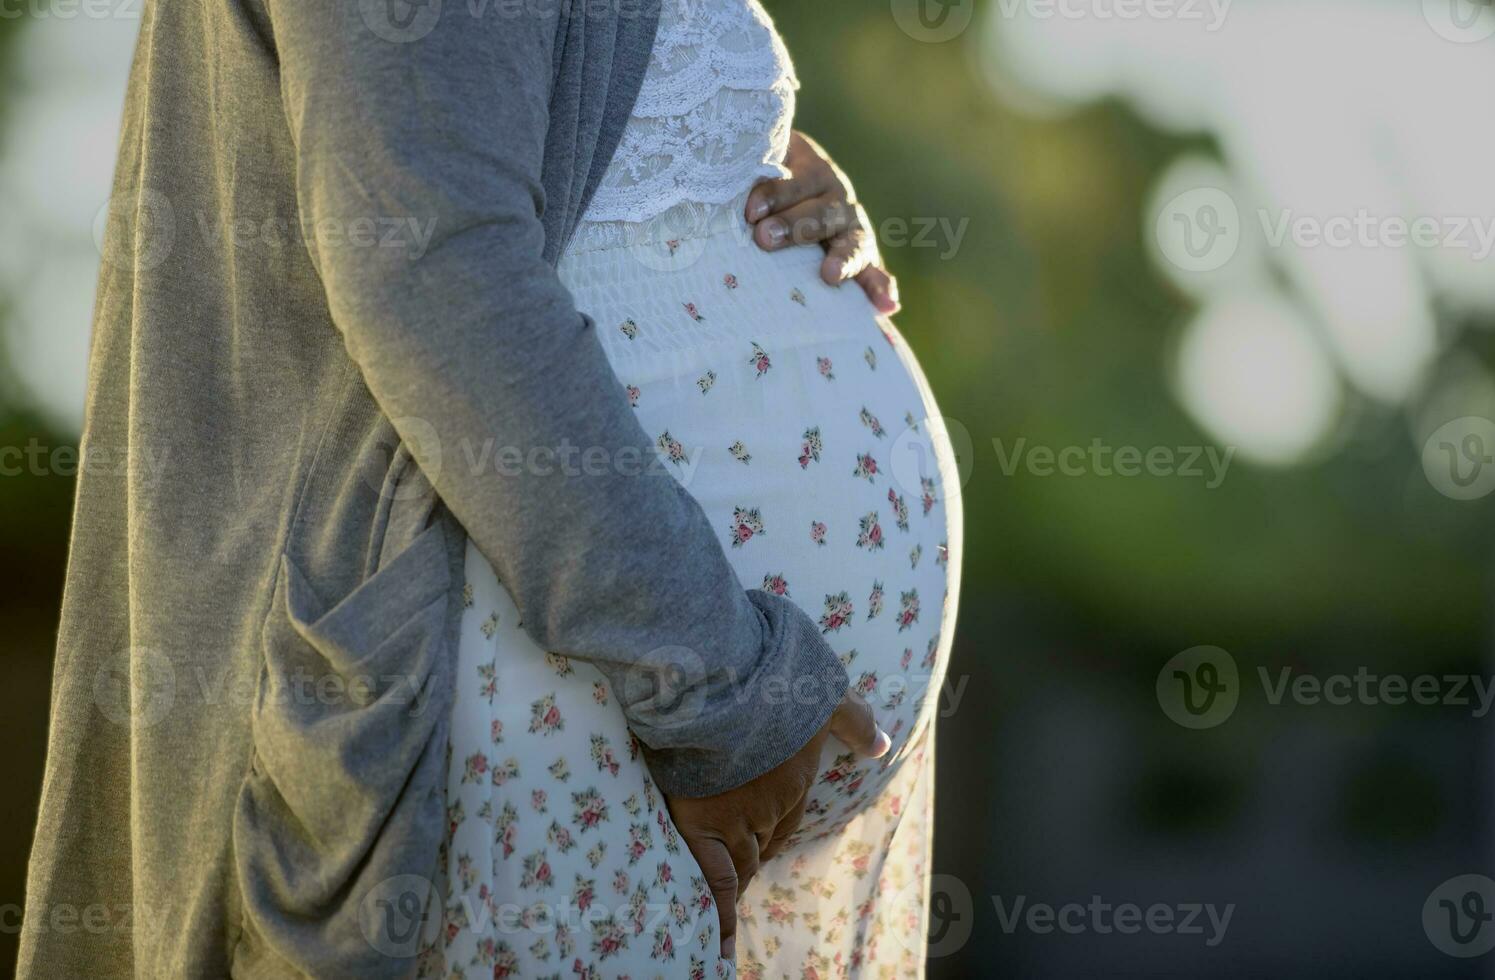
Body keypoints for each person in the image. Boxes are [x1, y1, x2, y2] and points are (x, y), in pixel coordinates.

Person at [19, 1, 961, 977]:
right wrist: (717, 686)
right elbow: (433, 271)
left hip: (676, 739)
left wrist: (743, 169)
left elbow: (474, 133)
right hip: (590, 702)